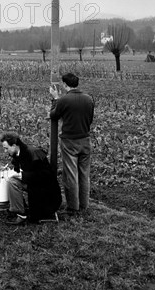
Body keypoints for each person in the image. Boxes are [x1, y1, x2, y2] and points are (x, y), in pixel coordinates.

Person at [49, 72, 95, 215]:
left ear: (64, 84)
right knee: (84, 174)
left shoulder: (64, 100)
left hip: (70, 141)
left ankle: (73, 207)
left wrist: (55, 99)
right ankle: (84, 205)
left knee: (71, 175)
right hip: (86, 140)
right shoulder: (89, 99)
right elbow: (90, 119)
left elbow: (53, 115)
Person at [1, 132, 62, 224]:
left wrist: (21, 175)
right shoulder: (17, 153)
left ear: (14, 145)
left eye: (6, 148)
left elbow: (45, 176)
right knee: (12, 181)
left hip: (46, 190)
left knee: (13, 181)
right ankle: (20, 212)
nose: (5, 151)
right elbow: (21, 168)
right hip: (33, 183)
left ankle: (28, 214)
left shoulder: (33, 153)